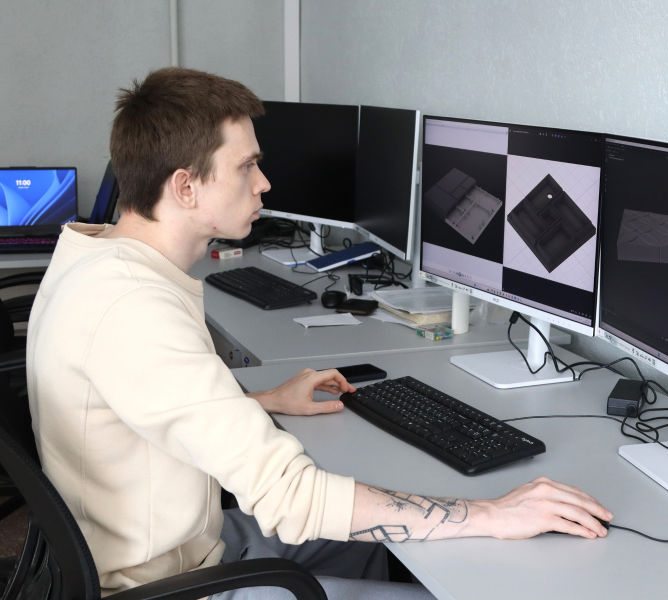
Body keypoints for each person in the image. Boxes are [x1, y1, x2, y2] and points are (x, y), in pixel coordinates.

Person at [26, 67, 613, 599]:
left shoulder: (96, 258)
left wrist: (261, 401)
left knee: (380, 548)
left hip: (171, 542)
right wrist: (491, 514)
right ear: (185, 187)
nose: (264, 183)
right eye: (246, 166)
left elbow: (142, 400)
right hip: (165, 585)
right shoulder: (133, 307)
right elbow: (293, 499)